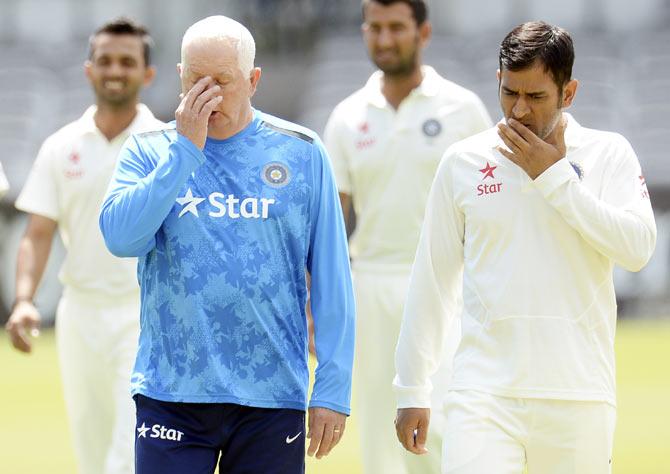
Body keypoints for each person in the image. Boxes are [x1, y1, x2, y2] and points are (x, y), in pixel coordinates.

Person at [394, 20, 656, 474]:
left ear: (568, 93)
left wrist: (554, 177)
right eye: (509, 93)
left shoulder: (609, 153)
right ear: (498, 81)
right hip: (483, 393)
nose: (518, 111)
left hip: (580, 393)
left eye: (535, 97)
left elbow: (637, 249)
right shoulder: (463, 161)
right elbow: (432, 280)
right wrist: (413, 388)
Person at [98, 15, 355, 474]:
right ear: (180, 76)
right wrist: (184, 152)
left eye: (224, 80)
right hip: (171, 391)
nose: (209, 93)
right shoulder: (148, 150)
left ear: (253, 80)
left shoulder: (301, 151)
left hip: (271, 392)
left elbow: (333, 277)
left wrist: (332, 387)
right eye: (197, 80)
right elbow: (120, 238)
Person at [323, 1, 491, 472]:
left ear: (424, 33)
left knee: (440, 425)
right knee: (381, 432)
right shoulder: (346, 116)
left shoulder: (461, 108)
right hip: (372, 284)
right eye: (374, 28)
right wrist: (319, 301)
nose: (384, 38)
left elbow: (490, 202)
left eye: (396, 27)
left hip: (446, 285)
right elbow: (332, 222)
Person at [4, 18, 162, 474]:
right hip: (80, 315)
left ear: (147, 74)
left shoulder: (165, 145)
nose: (116, 70)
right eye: (106, 61)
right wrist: (23, 301)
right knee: (90, 446)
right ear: (89, 69)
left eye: (127, 62)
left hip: (144, 312)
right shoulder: (61, 146)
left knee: (127, 447)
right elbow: (37, 233)